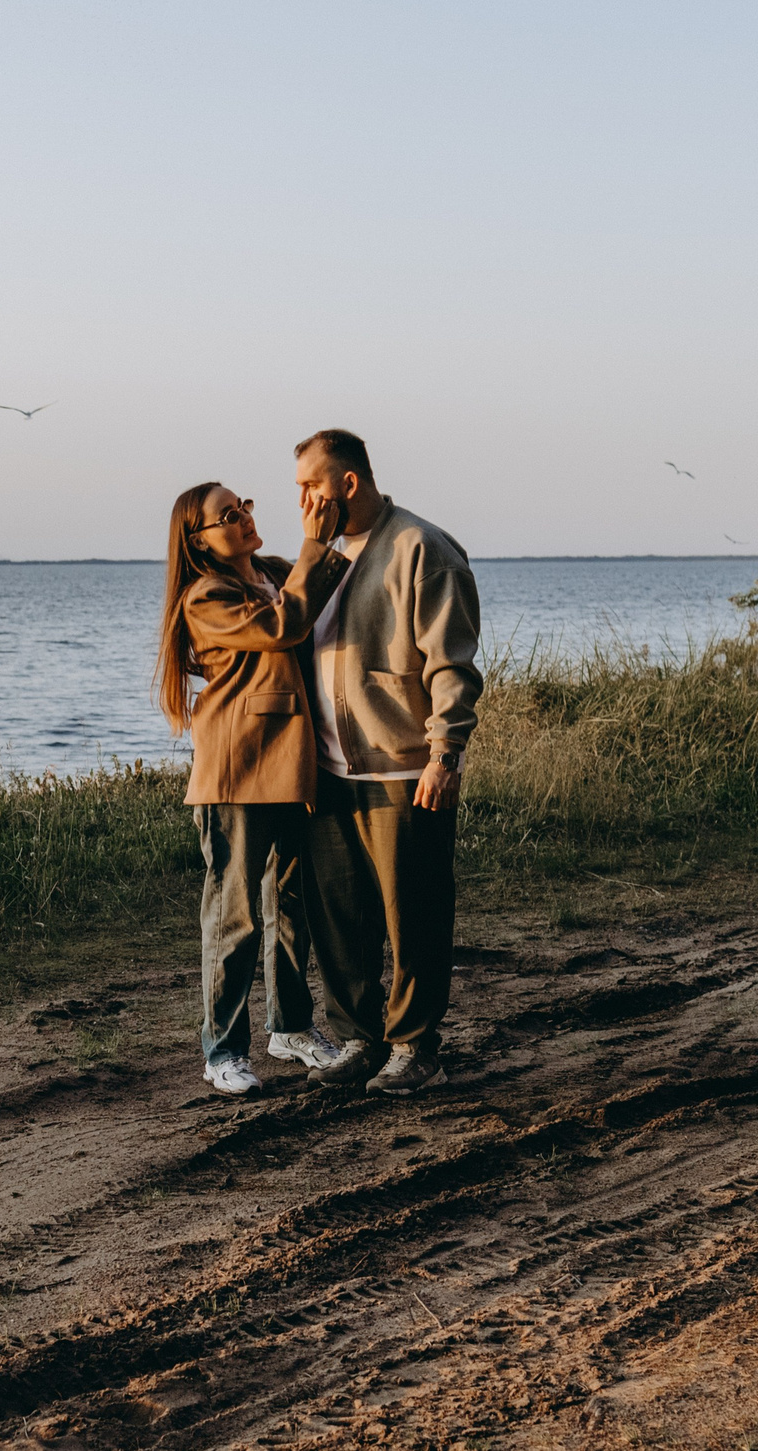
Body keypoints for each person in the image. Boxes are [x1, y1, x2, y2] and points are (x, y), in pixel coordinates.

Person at [292, 429, 483, 1095]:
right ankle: (359, 1037)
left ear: (348, 483)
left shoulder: (421, 547)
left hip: (402, 767)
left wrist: (444, 753)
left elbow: (451, 664)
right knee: (338, 916)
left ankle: (415, 1045)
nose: (303, 502)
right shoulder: (325, 557)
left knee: (414, 913)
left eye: (311, 486)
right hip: (329, 771)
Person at [155, 480, 352, 1095]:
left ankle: (291, 1029)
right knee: (235, 914)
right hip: (239, 770)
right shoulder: (206, 595)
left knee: (293, 905)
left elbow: (331, 591)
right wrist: (317, 543)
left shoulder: (272, 569)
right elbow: (284, 627)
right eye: (227, 515)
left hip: (297, 764)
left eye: (243, 507)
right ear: (200, 541)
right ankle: (223, 1050)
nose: (243, 517)